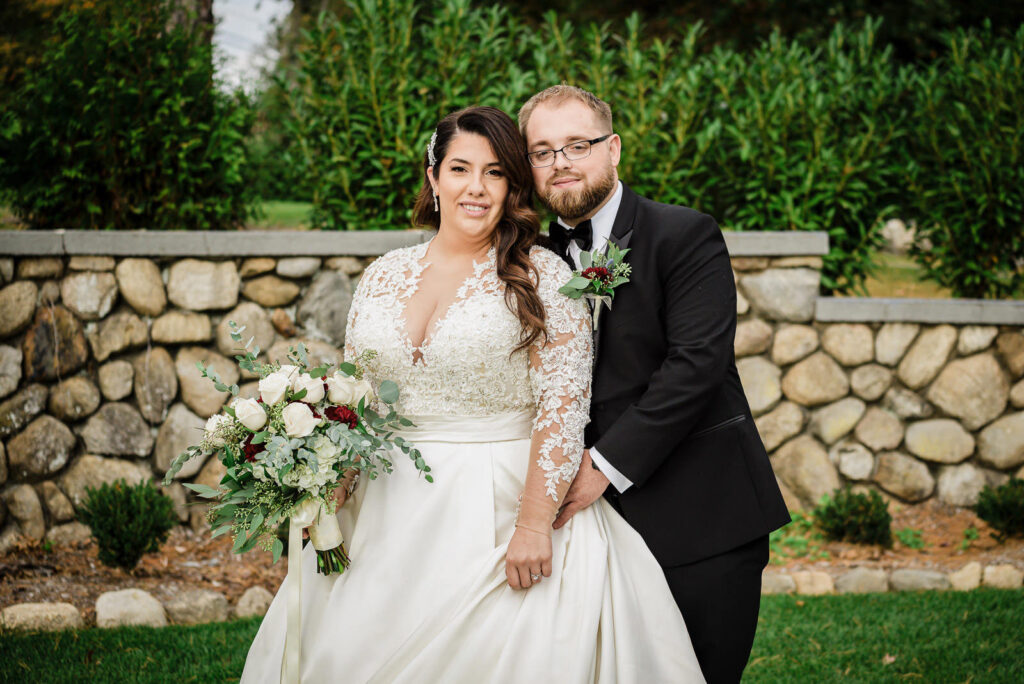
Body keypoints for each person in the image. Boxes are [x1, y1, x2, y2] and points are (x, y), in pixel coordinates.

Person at [240, 106, 705, 683]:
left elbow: (561, 410)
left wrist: (534, 525)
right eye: (460, 169)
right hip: (385, 506)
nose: (476, 188)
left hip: (497, 505)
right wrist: (325, 494)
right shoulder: (383, 274)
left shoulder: (541, 278)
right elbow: (355, 397)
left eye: (495, 173)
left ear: (512, 187)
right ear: (433, 178)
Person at [519, 85, 792, 684]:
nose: (560, 161)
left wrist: (602, 466)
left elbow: (695, 365)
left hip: (701, 516)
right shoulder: (531, 260)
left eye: (577, 144)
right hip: (582, 535)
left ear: (613, 150)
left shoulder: (684, 235)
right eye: (542, 151)